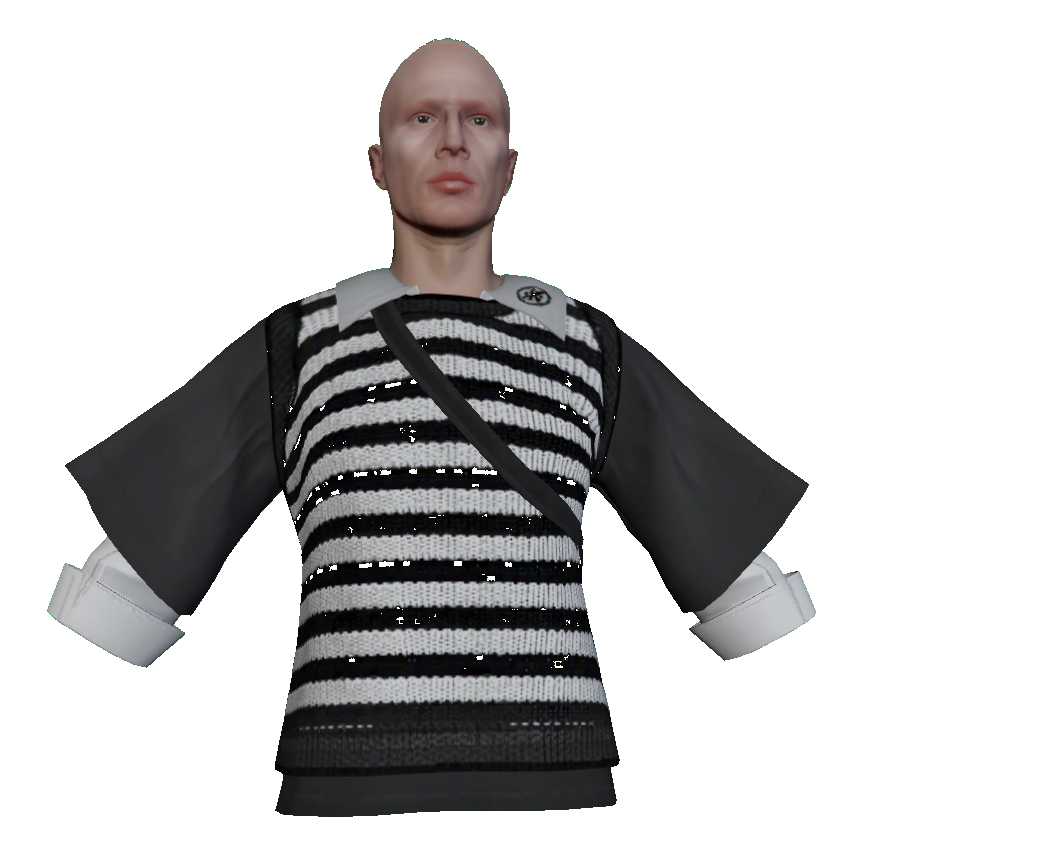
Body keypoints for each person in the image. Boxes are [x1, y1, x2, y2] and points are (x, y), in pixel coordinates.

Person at [48, 38, 815, 816]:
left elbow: (725, 561)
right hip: (346, 769)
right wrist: (98, 620)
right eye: (423, 118)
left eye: (478, 119)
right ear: (379, 163)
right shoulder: (299, 344)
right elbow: (148, 553)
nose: (453, 140)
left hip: (552, 772)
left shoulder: (589, 346)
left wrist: (772, 634)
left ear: (508, 167)